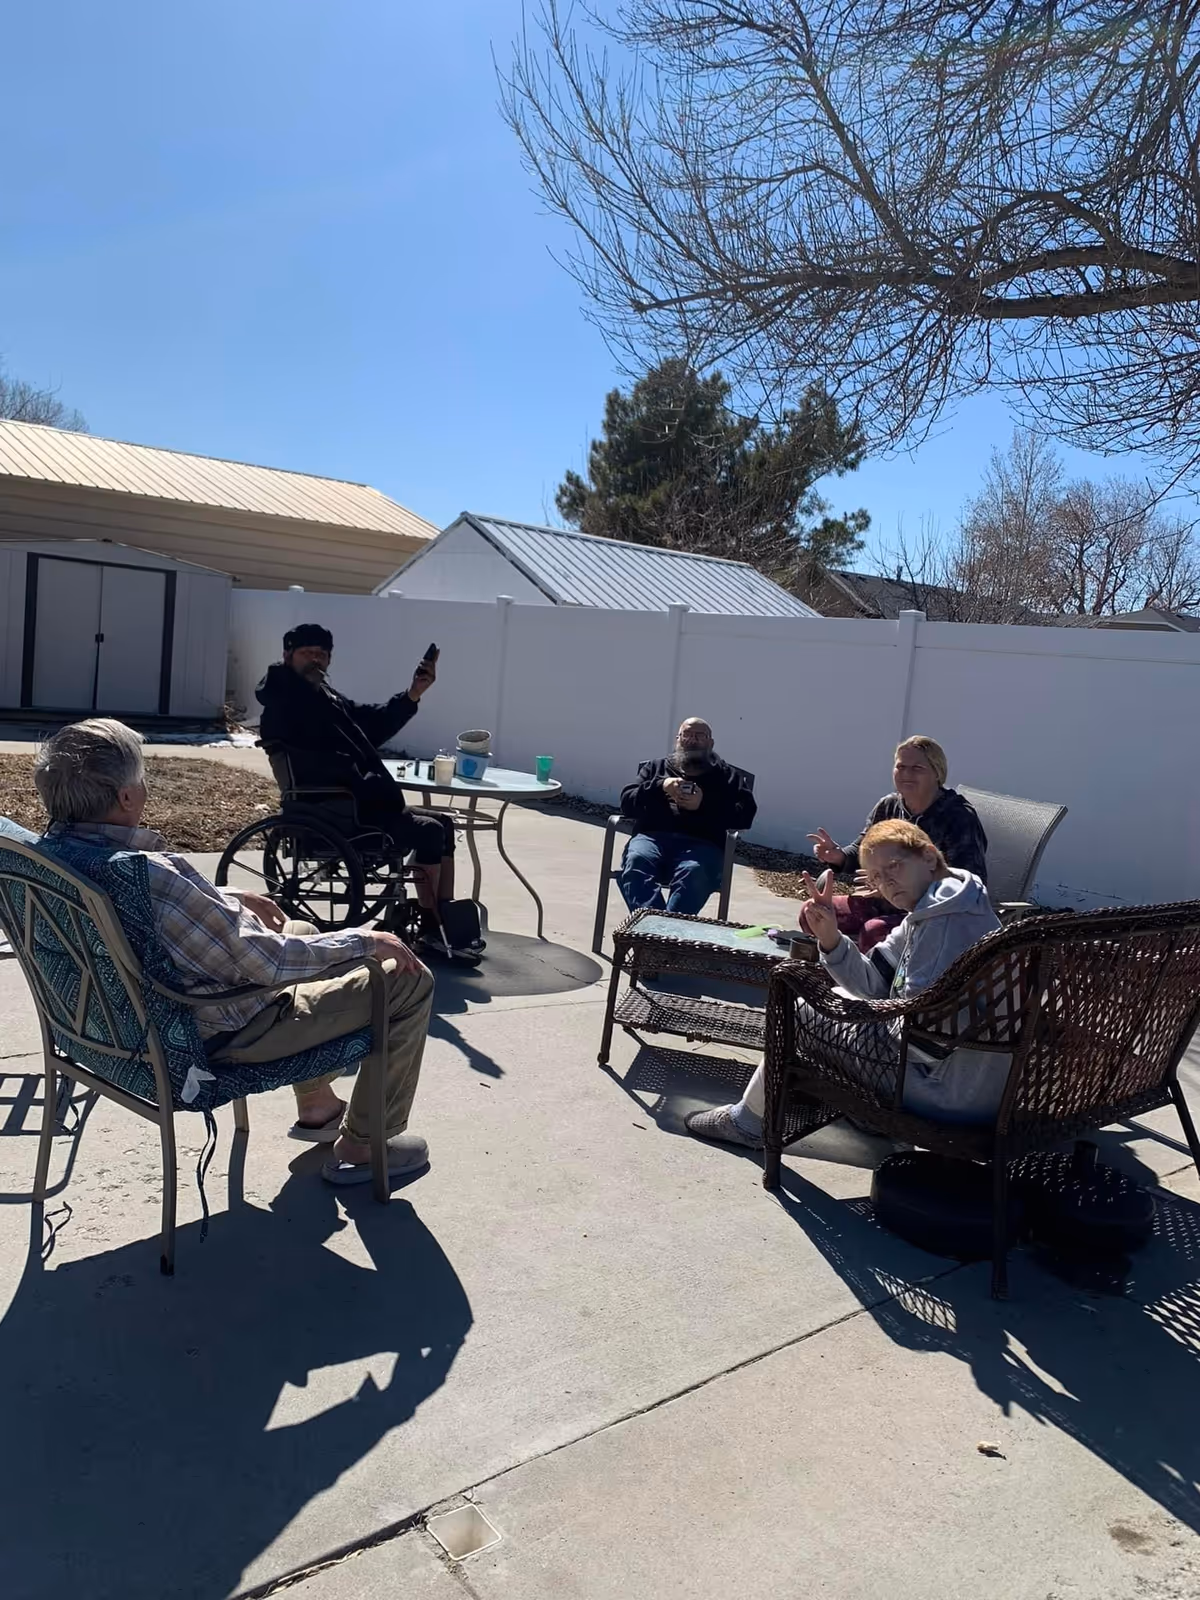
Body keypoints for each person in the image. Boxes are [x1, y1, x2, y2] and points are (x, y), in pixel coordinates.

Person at [32, 718, 435, 1186]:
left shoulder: (55, 857)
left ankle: (318, 1106)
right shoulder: (153, 877)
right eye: (140, 779)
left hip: (116, 1033)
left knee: (294, 925)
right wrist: (366, 938)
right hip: (216, 1036)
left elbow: (168, 910)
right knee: (406, 977)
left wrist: (228, 896)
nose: (143, 787)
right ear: (125, 797)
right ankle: (364, 1145)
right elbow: (268, 964)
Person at [686, 819, 1004, 1150]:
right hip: (976, 1087)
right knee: (832, 1001)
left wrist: (859, 1018)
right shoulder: (946, 906)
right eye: (877, 877)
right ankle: (782, 1104)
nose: (887, 882)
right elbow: (872, 982)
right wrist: (831, 938)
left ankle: (748, 1123)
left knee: (800, 1011)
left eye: (893, 866)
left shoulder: (944, 923)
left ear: (928, 856)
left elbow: (918, 1043)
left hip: (949, 1095)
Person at [255, 623, 474, 954]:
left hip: (359, 802)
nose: (315, 659)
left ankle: (443, 917)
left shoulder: (320, 694)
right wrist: (366, 779)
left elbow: (366, 725)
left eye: (322, 654)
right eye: (306, 653)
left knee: (443, 824)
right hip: (340, 808)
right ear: (287, 656)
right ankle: (432, 927)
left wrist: (413, 693)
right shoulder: (286, 702)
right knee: (428, 831)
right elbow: (320, 763)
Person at [805, 735, 987, 953]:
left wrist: (895, 887)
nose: (906, 774)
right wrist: (839, 857)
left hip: (932, 915)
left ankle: (878, 985)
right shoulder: (889, 806)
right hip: (881, 904)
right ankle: (835, 976)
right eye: (901, 767)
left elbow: (967, 883)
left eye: (917, 767)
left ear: (937, 773)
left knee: (875, 932)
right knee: (813, 914)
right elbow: (862, 849)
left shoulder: (958, 817)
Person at [618, 718, 757, 916]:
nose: (693, 740)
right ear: (678, 740)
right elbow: (626, 803)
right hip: (652, 838)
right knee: (637, 861)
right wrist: (661, 786)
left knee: (693, 872)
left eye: (700, 735)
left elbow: (745, 816)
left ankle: (654, 939)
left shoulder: (728, 776)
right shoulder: (655, 769)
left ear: (711, 743)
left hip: (702, 844)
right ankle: (661, 936)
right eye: (687, 734)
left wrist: (704, 805)